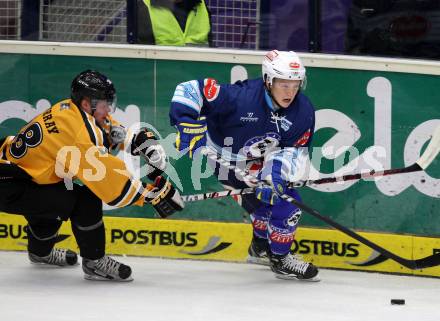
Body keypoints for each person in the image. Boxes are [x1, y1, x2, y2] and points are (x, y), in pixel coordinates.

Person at [0, 70, 184, 282]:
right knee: (84, 200)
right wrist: (152, 195)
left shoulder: (69, 108)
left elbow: (110, 130)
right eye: (104, 103)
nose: (108, 108)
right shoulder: (80, 133)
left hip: (20, 174)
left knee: (50, 202)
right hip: (11, 183)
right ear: (87, 103)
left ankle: (40, 253)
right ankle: (95, 262)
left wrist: (143, 142)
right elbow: (107, 182)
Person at [169, 50, 319, 281]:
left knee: (279, 199)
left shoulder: (303, 111)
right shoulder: (240, 97)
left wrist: (273, 176)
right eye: (284, 85)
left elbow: (290, 150)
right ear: (269, 80)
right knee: (275, 205)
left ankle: (263, 248)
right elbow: (189, 89)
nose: (290, 92)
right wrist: (186, 122)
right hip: (226, 160)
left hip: (263, 158)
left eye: (295, 84)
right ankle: (276, 256)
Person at [136, 0, 213, 46]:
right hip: (162, 71)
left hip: (197, 71)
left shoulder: (201, 5)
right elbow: (143, 59)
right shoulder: (144, 7)